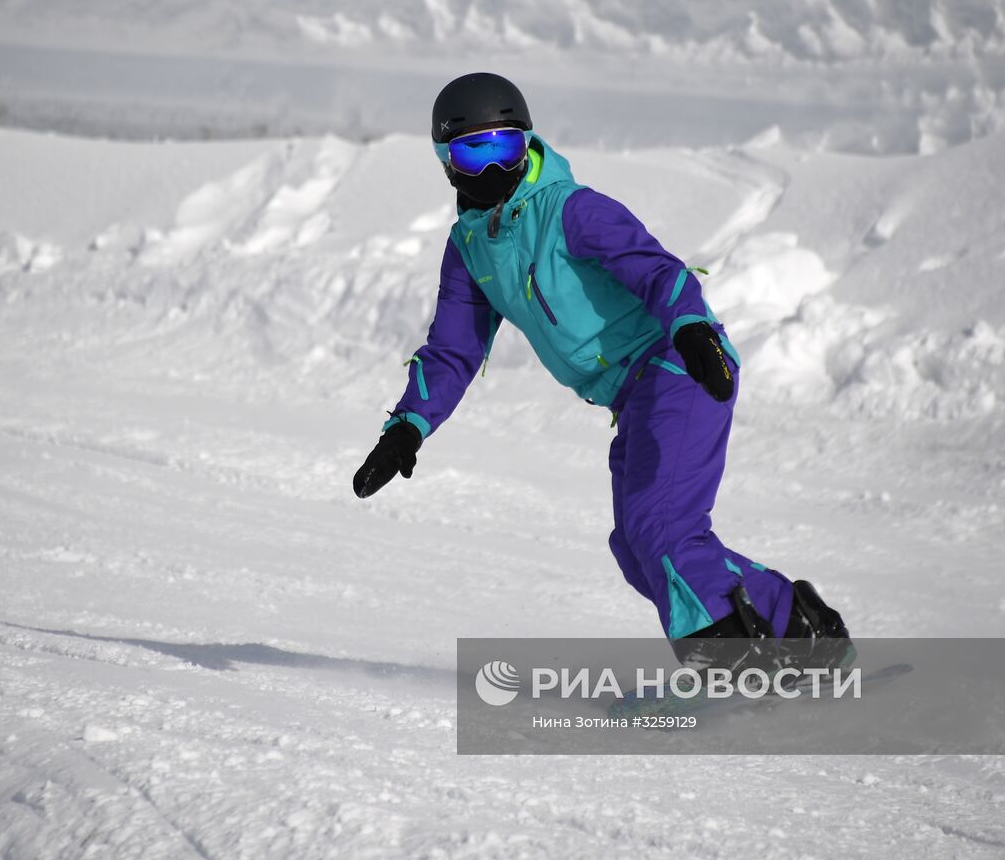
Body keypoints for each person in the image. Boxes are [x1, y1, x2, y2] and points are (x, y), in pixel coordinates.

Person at [352, 72, 850, 656]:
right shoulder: (468, 248)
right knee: (636, 545)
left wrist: (691, 327)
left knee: (661, 529)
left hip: (678, 364)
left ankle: (730, 657)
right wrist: (407, 425)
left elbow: (658, 271)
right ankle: (797, 630)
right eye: (472, 151)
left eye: (505, 146)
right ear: (446, 161)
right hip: (630, 396)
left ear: (527, 143)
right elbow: (452, 350)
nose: (491, 168)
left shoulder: (573, 210)